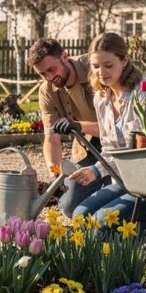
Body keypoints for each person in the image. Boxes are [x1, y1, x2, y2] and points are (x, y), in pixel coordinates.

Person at [62, 33, 146, 243]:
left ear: (124, 60)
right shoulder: (101, 98)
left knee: (101, 227)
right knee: (80, 217)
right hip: (126, 182)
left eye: (108, 65)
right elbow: (109, 149)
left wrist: (97, 170)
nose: (101, 72)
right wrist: (97, 170)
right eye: (95, 66)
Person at [27, 38, 102, 216]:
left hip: (119, 143)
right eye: (42, 74)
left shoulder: (96, 70)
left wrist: (78, 126)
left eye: (52, 69)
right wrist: (55, 172)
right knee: (68, 207)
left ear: (65, 56)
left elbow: (117, 127)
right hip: (87, 147)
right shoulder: (47, 91)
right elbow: (52, 138)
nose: (50, 78)